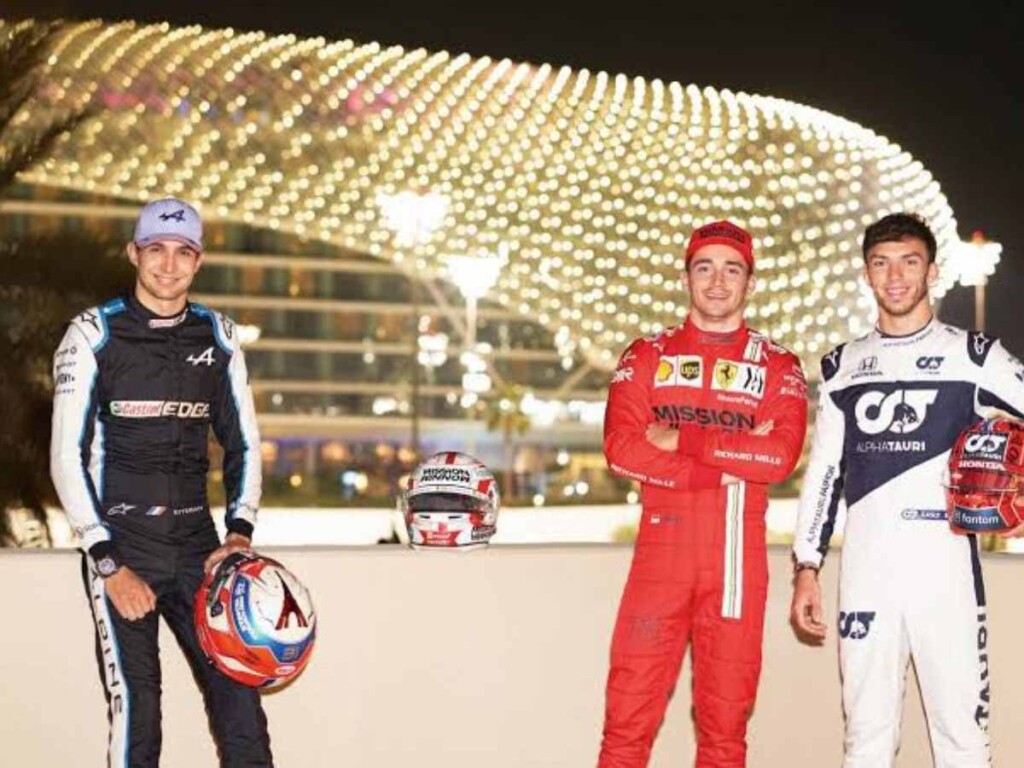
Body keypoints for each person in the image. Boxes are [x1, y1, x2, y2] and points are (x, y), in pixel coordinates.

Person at [790, 212, 1024, 768]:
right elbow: (824, 470)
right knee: (866, 742)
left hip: (946, 578)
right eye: (881, 263)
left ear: (932, 271)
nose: (895, 276)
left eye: (909, 262)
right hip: (866, 578)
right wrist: (806, 565)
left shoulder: (974, 356)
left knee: (963, 743)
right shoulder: (842, 368)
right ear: (867, 275)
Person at [50, 197, 274, 767]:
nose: (168, 265)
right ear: (134, 253)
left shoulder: (219, 336)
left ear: (198, 261)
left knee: (240, 703)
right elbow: (65, 457)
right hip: (122, 548)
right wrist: (107, 562)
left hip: (200, 549)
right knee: (139, 712)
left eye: (182, 253)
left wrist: (239, 534)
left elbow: (243, 441)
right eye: (156, 250)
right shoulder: (91, 334)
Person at [598, 220, 809, 767]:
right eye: (704, 268)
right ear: (686, 277)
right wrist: (729, 458)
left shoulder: (778, 364)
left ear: (750, 282)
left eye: (732, 269)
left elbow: (778, 458)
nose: (718, 282)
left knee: (724, 736)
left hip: (736, 569)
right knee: (624, 727)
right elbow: (622, 448)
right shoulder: (646, 354)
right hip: (658, 564)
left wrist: (677, 440)